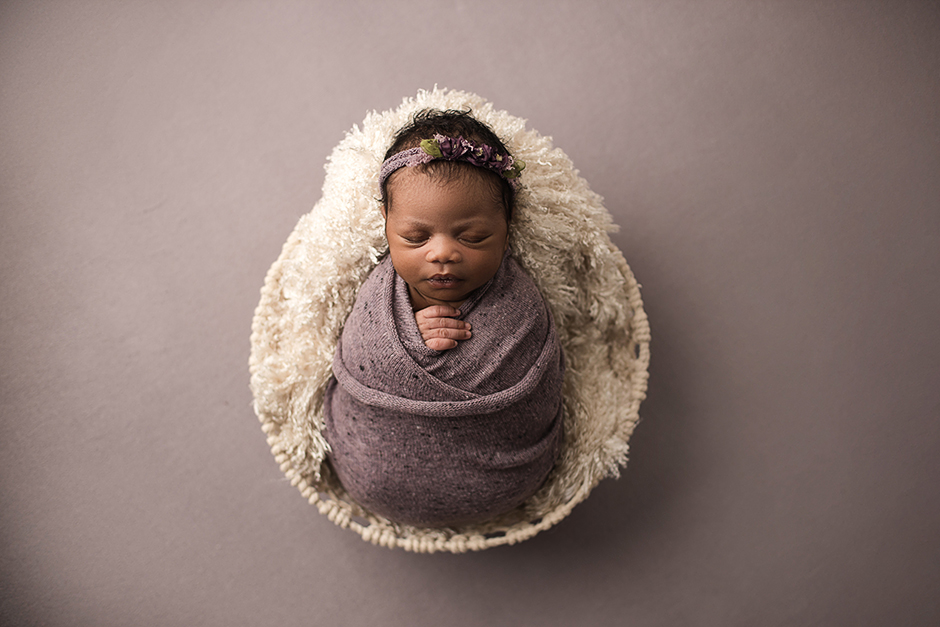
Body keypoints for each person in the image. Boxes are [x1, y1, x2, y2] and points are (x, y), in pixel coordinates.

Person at [323, 109, 564, 527]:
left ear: (507, 229)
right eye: (415, 238)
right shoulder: (378, 294)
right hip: (371, 473)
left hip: (500, 483)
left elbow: (538, 383)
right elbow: (353, 349)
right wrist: (400, 341)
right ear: (386, 225)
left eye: (473, 237)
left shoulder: (520, 305)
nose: (442, 254)